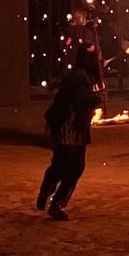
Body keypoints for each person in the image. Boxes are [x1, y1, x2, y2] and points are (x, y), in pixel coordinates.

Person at [38, 70, 100, 220]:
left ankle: (57, 203)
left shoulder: (84, 79)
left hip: (79, 132)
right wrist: (97, 99)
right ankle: (47, 189)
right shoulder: (75, 82)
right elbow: (80, 99)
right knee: (62, 165)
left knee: (76, 167)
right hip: (66, 130)